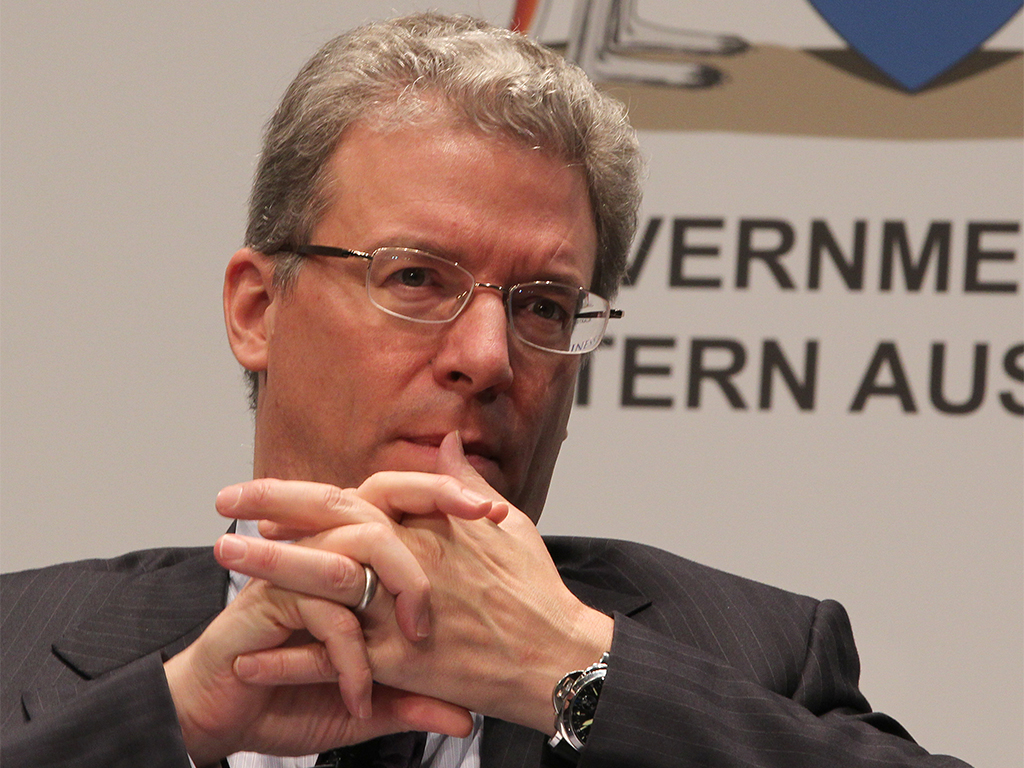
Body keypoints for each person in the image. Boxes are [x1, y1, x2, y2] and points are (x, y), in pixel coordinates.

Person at [0, 12, 970, 768]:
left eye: (544, 305)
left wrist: (574, 671)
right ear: (258, 310)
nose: (489, 355)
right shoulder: (22, 639)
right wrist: (168, 727)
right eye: (416, 278)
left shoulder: (756, 653)